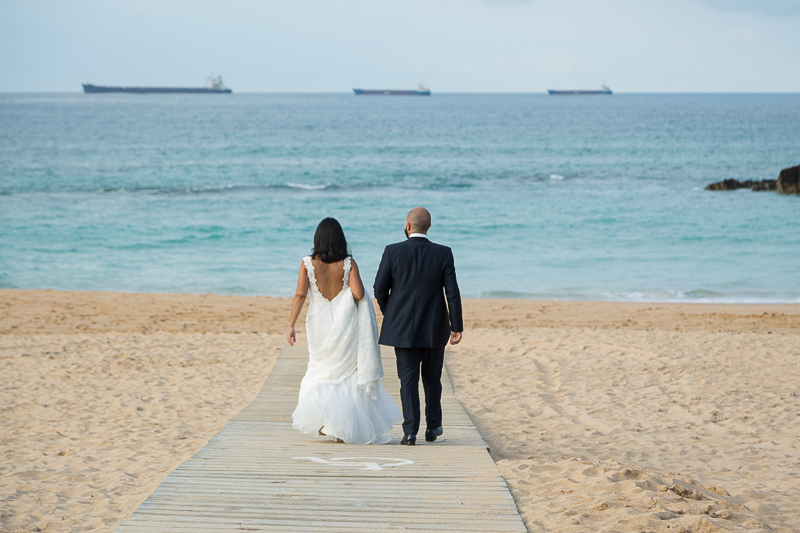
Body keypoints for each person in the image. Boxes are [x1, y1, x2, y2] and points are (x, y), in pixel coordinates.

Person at [287, 217, 401, 444]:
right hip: (344, 322)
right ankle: (341, 427)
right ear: (340, 238)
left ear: (318, 238)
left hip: (318, 322)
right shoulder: (348, 263)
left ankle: (324, 421)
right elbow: (358, 294)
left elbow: (300, 295)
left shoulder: (307, 263)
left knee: (320, 369)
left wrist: (291, 324)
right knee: (345, 373)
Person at [374, 207, 463, 446]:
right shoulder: (443, 253)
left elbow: (379, 289)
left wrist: (391, 312)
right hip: (435, 327)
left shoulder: (392, 251)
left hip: (402, 328)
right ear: (429, 226)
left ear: (408, 225)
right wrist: (457, 325)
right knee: (433, 378)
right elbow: (452, 293)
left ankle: (410, 432)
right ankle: (433, 426)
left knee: (408, 380)